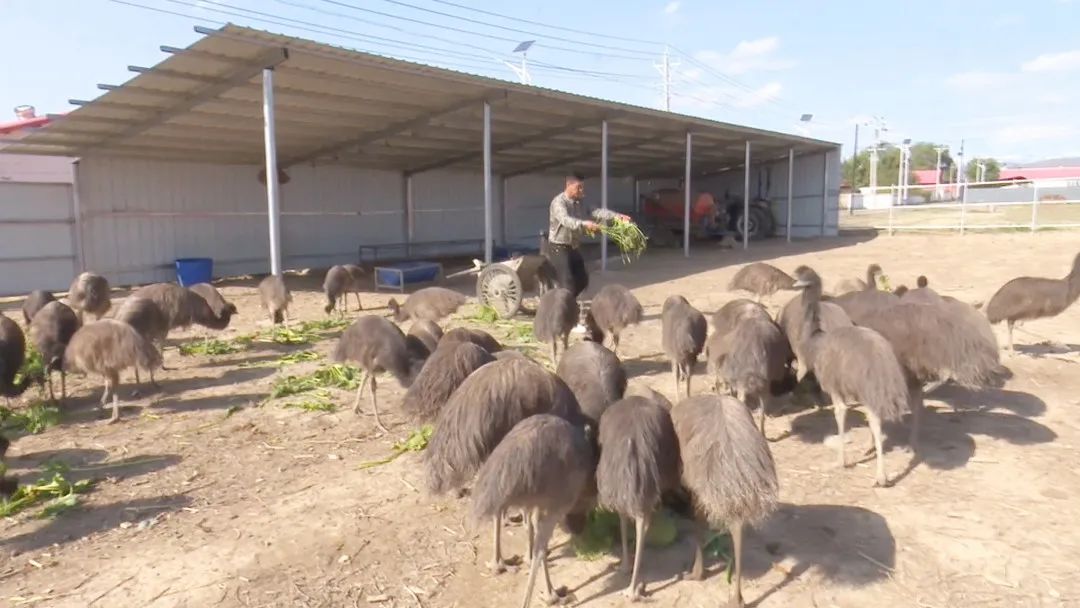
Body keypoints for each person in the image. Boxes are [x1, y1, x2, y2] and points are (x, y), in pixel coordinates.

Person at [546, 174, 629, 299]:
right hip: (558, 247)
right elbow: (566, 220)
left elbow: (596, 211)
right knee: (567, 283)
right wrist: (585, 224)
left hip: (573, 246)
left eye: (582, 188)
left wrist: (617, 216)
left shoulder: (580, 201)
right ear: (568, 185)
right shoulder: (558, 202)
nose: (581, 191)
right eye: (578, 187)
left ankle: (567, 302)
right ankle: (564, 308)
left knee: (582, 280)